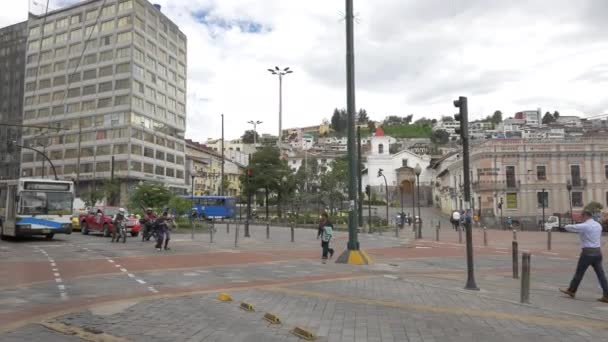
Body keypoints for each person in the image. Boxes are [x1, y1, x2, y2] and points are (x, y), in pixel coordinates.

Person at [559, 210, 608, 303]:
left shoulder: (585, 225)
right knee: (601, 274)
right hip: (597, 252)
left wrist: (566, 225)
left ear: (585, 215)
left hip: (587, 253)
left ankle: (571, 290)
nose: (581, 218)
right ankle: (607, 295)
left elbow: (570, 227)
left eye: (582, 216)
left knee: (579, 273)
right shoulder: (598, 225)